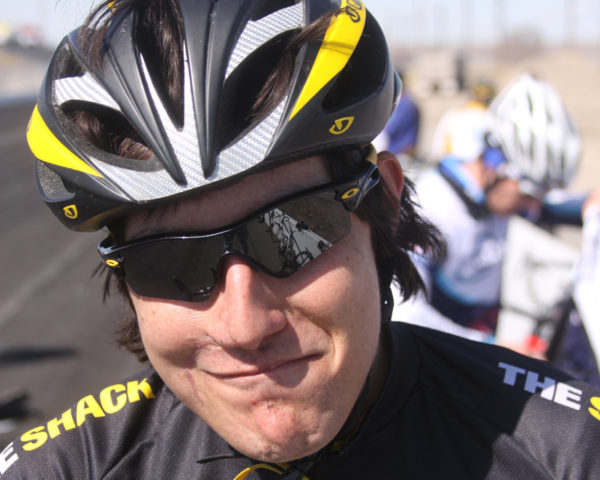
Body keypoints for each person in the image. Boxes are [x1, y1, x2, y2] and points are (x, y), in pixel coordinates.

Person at [4, 2, 600, 478]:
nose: (244, 327)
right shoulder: (65, 468)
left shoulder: (570, 452)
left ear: (386, 203)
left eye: (292, 232)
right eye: (170, 261)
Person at [393, 73, 598, 353]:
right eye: (530, 195)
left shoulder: (502, 197)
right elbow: (405, 313)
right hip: (429, 359)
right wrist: (494, 349)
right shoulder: (433, 208)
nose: (533, 207)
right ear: (497, 168)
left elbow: (562, 207)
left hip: (470, 350)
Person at [429, 78, 496, 163]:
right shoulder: (488, 116)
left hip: (448, 163)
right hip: (472, 165)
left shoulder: (452, 114)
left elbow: (437, 147)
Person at [372, 72, 421, 162]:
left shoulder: (405, 104)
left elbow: (389, 130)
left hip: (400, 154)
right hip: (391, 153)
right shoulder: (396, 102)